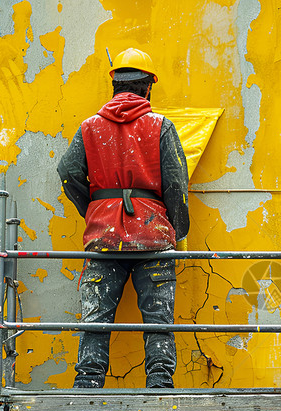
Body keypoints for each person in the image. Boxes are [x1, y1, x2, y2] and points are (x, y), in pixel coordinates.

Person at [57, 47, 189, 389]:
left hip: (104, 237)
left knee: (95, 317)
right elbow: (175, 182)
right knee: (158, 319)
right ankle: (159, 383)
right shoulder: (160, 126)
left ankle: (87, 383)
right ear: (148, 88)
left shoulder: (90, 127)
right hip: (153, 236)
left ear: (114, 86)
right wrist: (179, 228)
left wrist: (95, 207)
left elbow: (68, 172)